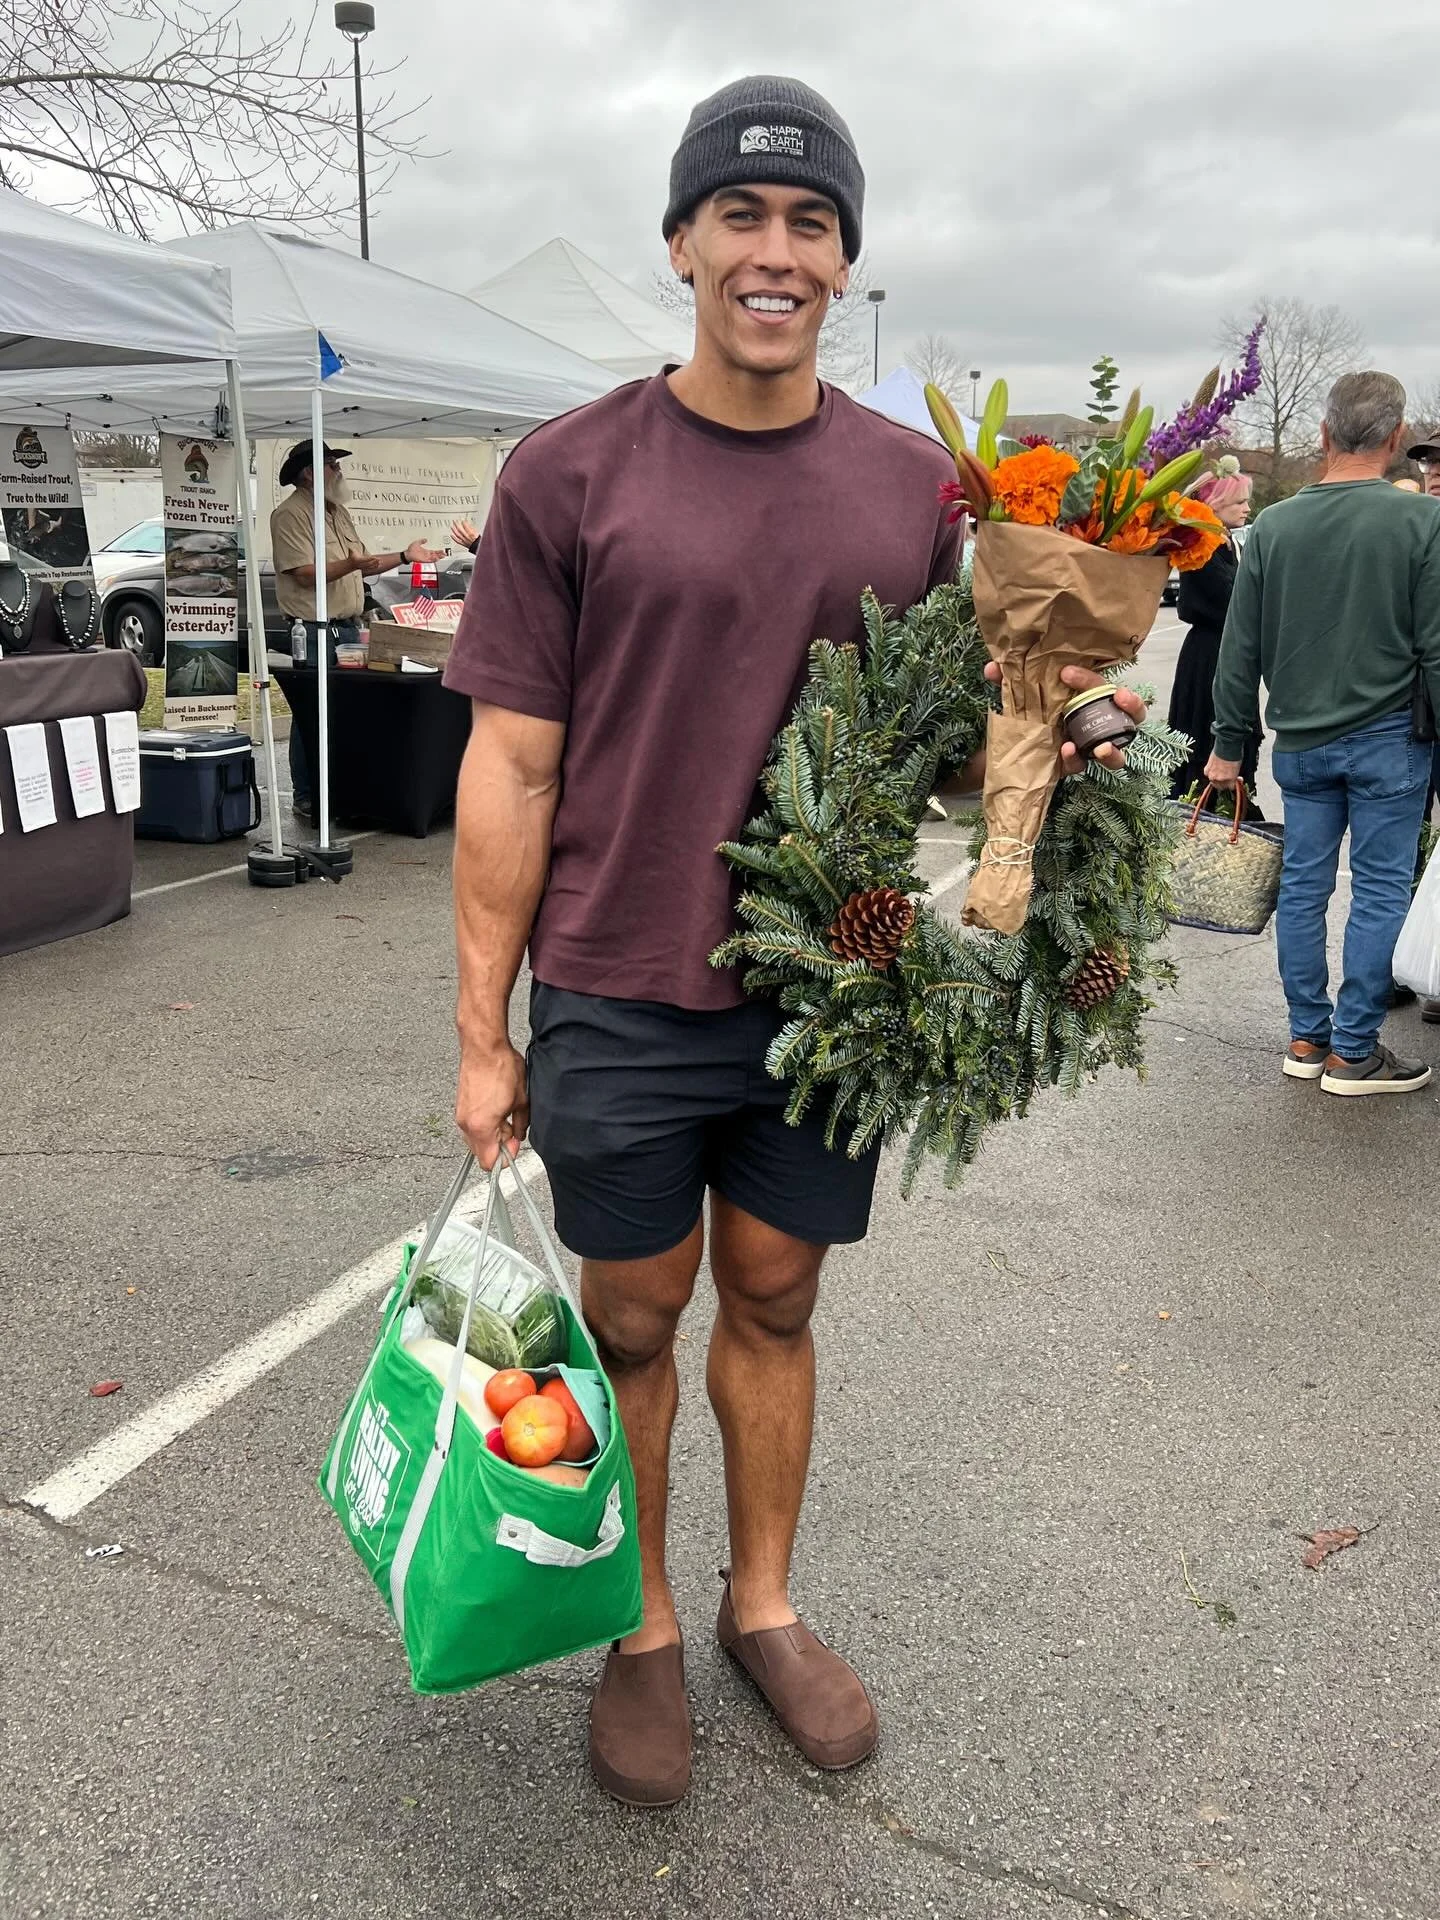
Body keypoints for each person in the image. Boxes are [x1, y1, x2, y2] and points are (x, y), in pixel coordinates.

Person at [444, 73, 1146, 1808]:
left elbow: (968, 722)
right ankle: (645, 1623)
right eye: (741, 218)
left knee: (774, 1292)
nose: (776, 253)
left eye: (811, 224)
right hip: (614, 974)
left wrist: (1060, 729)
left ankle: (764, 1604)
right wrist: (481, 1031)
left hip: (831, 992)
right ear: (681, 240)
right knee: (630, 1319)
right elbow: (512, 762)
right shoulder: (569, 471)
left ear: (846, 263)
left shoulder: (918, 493)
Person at [1207, 371, 1440, 1094]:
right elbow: (1435, 648)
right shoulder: (1422, 524)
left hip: (1300, 744)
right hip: (1390, 741)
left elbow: (1238, 648)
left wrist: (1226, 745)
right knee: (1377, 890)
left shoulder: (1272, 527)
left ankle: (1306, 1037)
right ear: (1397, 440)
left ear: (1323, 435)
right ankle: (1355, 1048)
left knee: (1304, 887)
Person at [269, 440, 444, 818]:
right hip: (313, 632)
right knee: (311, 713)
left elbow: (361, 563)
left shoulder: (337, 513)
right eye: (332, 465)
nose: (339, 471)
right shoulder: (291, 515)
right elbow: (303, 574)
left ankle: (341, 790)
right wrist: (349, 565)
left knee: (346, 714)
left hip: (347, 629)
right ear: (310, 473)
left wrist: (403, 556)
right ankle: (306, 794)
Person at [1167, 467, 1262, 810]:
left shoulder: (1224, 543)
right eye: (1239, 501)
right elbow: (1232, 601)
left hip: (1223, 650)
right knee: (1205, 741)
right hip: (1209, 657)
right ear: (1215, 504)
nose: (1247, 508)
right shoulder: (1201, 544)